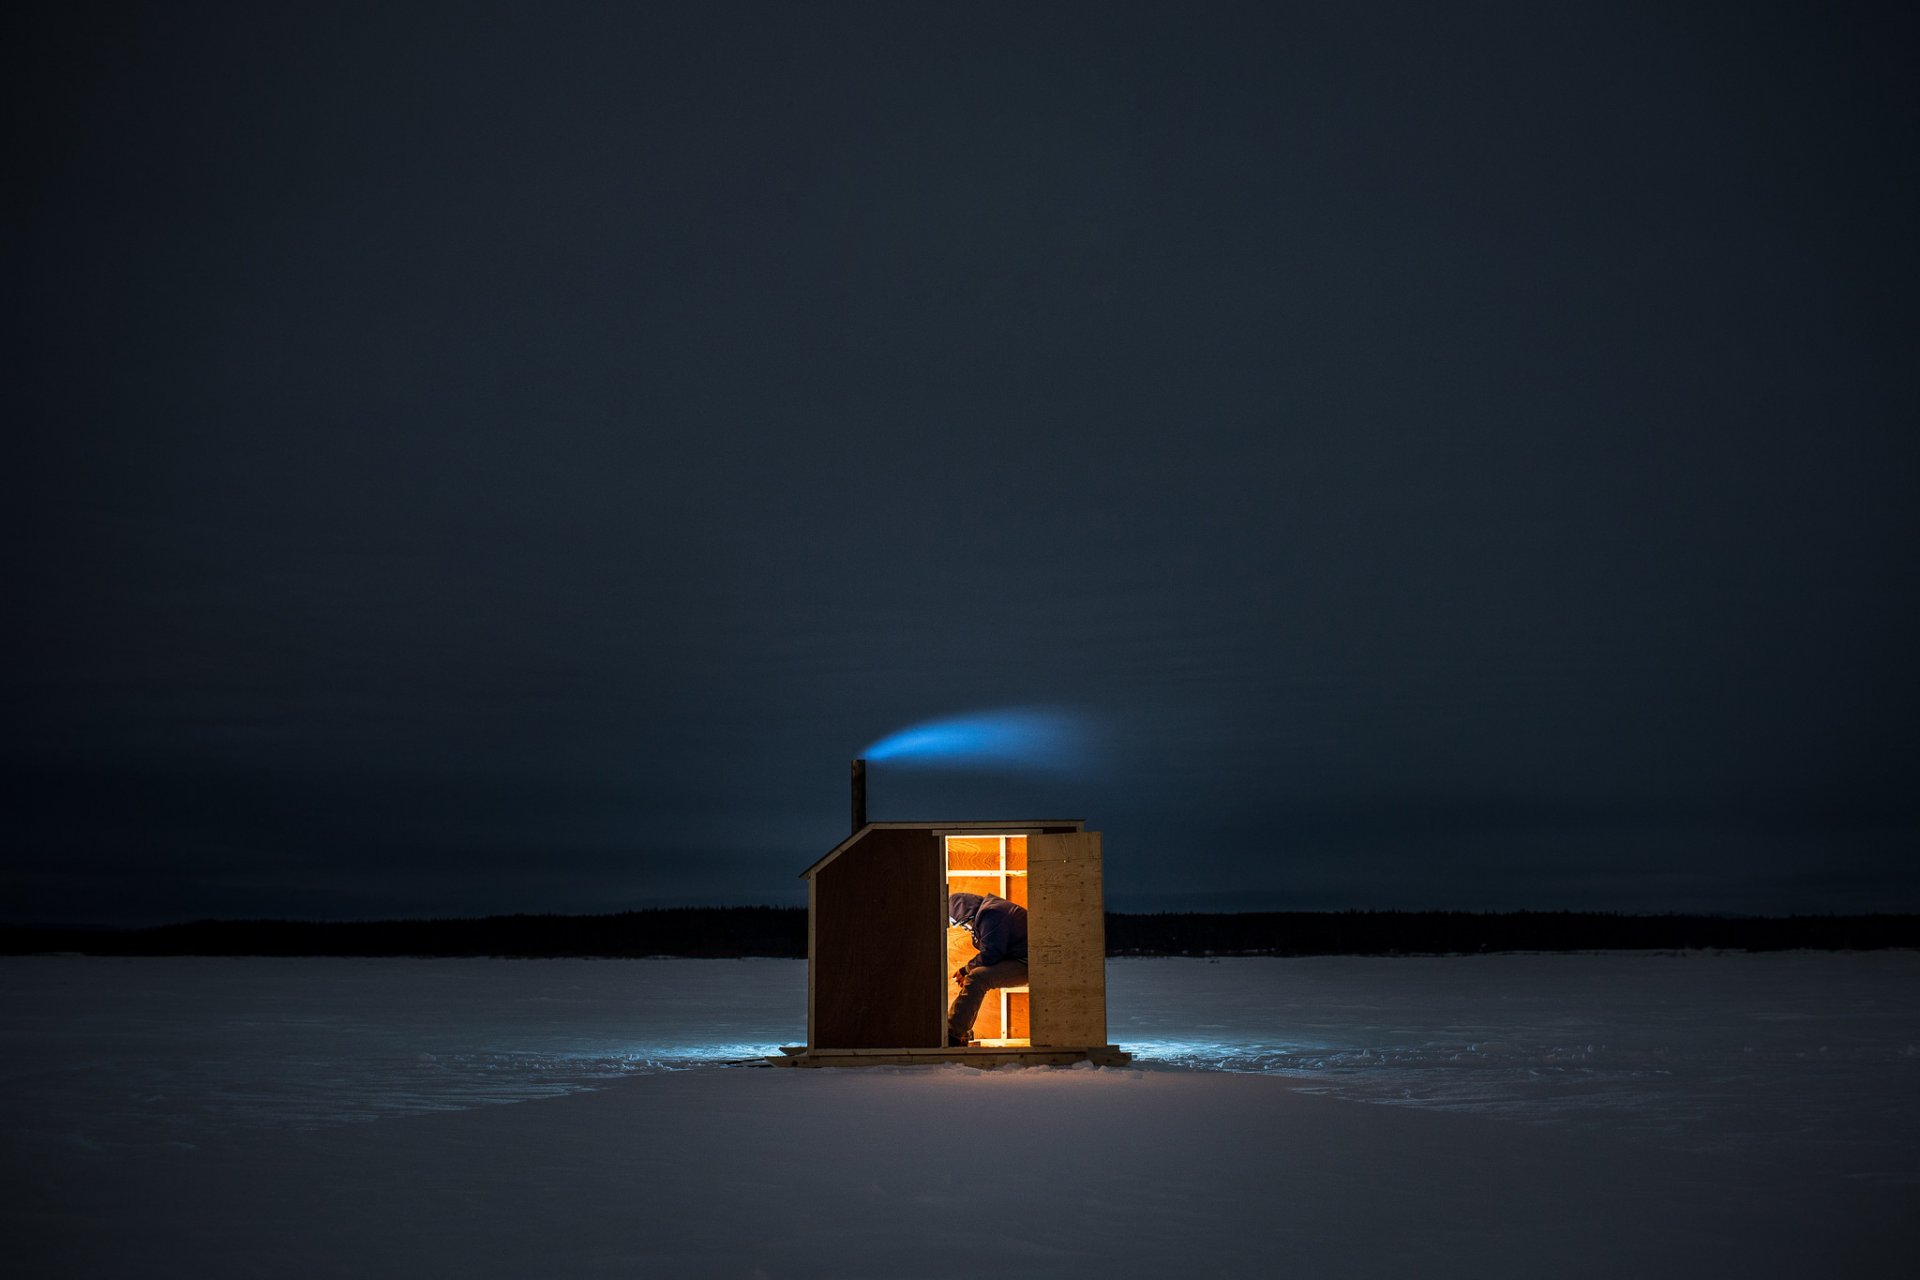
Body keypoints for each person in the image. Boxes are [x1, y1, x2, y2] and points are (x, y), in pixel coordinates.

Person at [946, 890, 1028, 1047]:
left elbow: (991, 953)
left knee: (977, 978)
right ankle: (958, 1029)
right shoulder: (989, 910)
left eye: (964, 925)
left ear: (967, 914)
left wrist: (965, 970)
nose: (966, 929)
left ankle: (953, 1034)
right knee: (976, 976)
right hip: (1022, 957)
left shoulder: (992, 914)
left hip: (1029, 963)